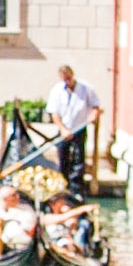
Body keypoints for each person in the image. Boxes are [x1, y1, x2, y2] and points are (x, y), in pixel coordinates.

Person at [47, 65, 100, 201]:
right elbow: (54, 112)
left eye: (69, 78)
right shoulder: (57, 90)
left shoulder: (86, 88)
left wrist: (93, 115)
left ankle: (77, 189)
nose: (67, 82)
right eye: (64, 79)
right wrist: (62, 129)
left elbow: (95, 105)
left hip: (79, 128)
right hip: (64, 129)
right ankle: (63, 186)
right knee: (63, 157)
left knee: (79, 159)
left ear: (72, 75)